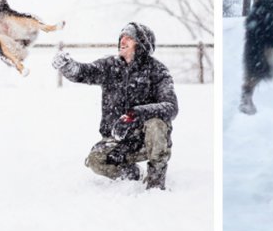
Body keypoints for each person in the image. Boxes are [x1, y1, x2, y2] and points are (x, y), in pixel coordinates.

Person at [52, 22, 178, 190]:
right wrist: (68, 66)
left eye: (129, 38)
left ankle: (155, 183)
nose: (123, 41)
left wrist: (135, 114)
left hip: (146, 139)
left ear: (141, 44)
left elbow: (170, 106)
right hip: (118, 138)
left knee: (156, 124)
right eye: (122, 37)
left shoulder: (158, 71)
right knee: (96, 160)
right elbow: (84, 72)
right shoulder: (110, 66)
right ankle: (133, 175)